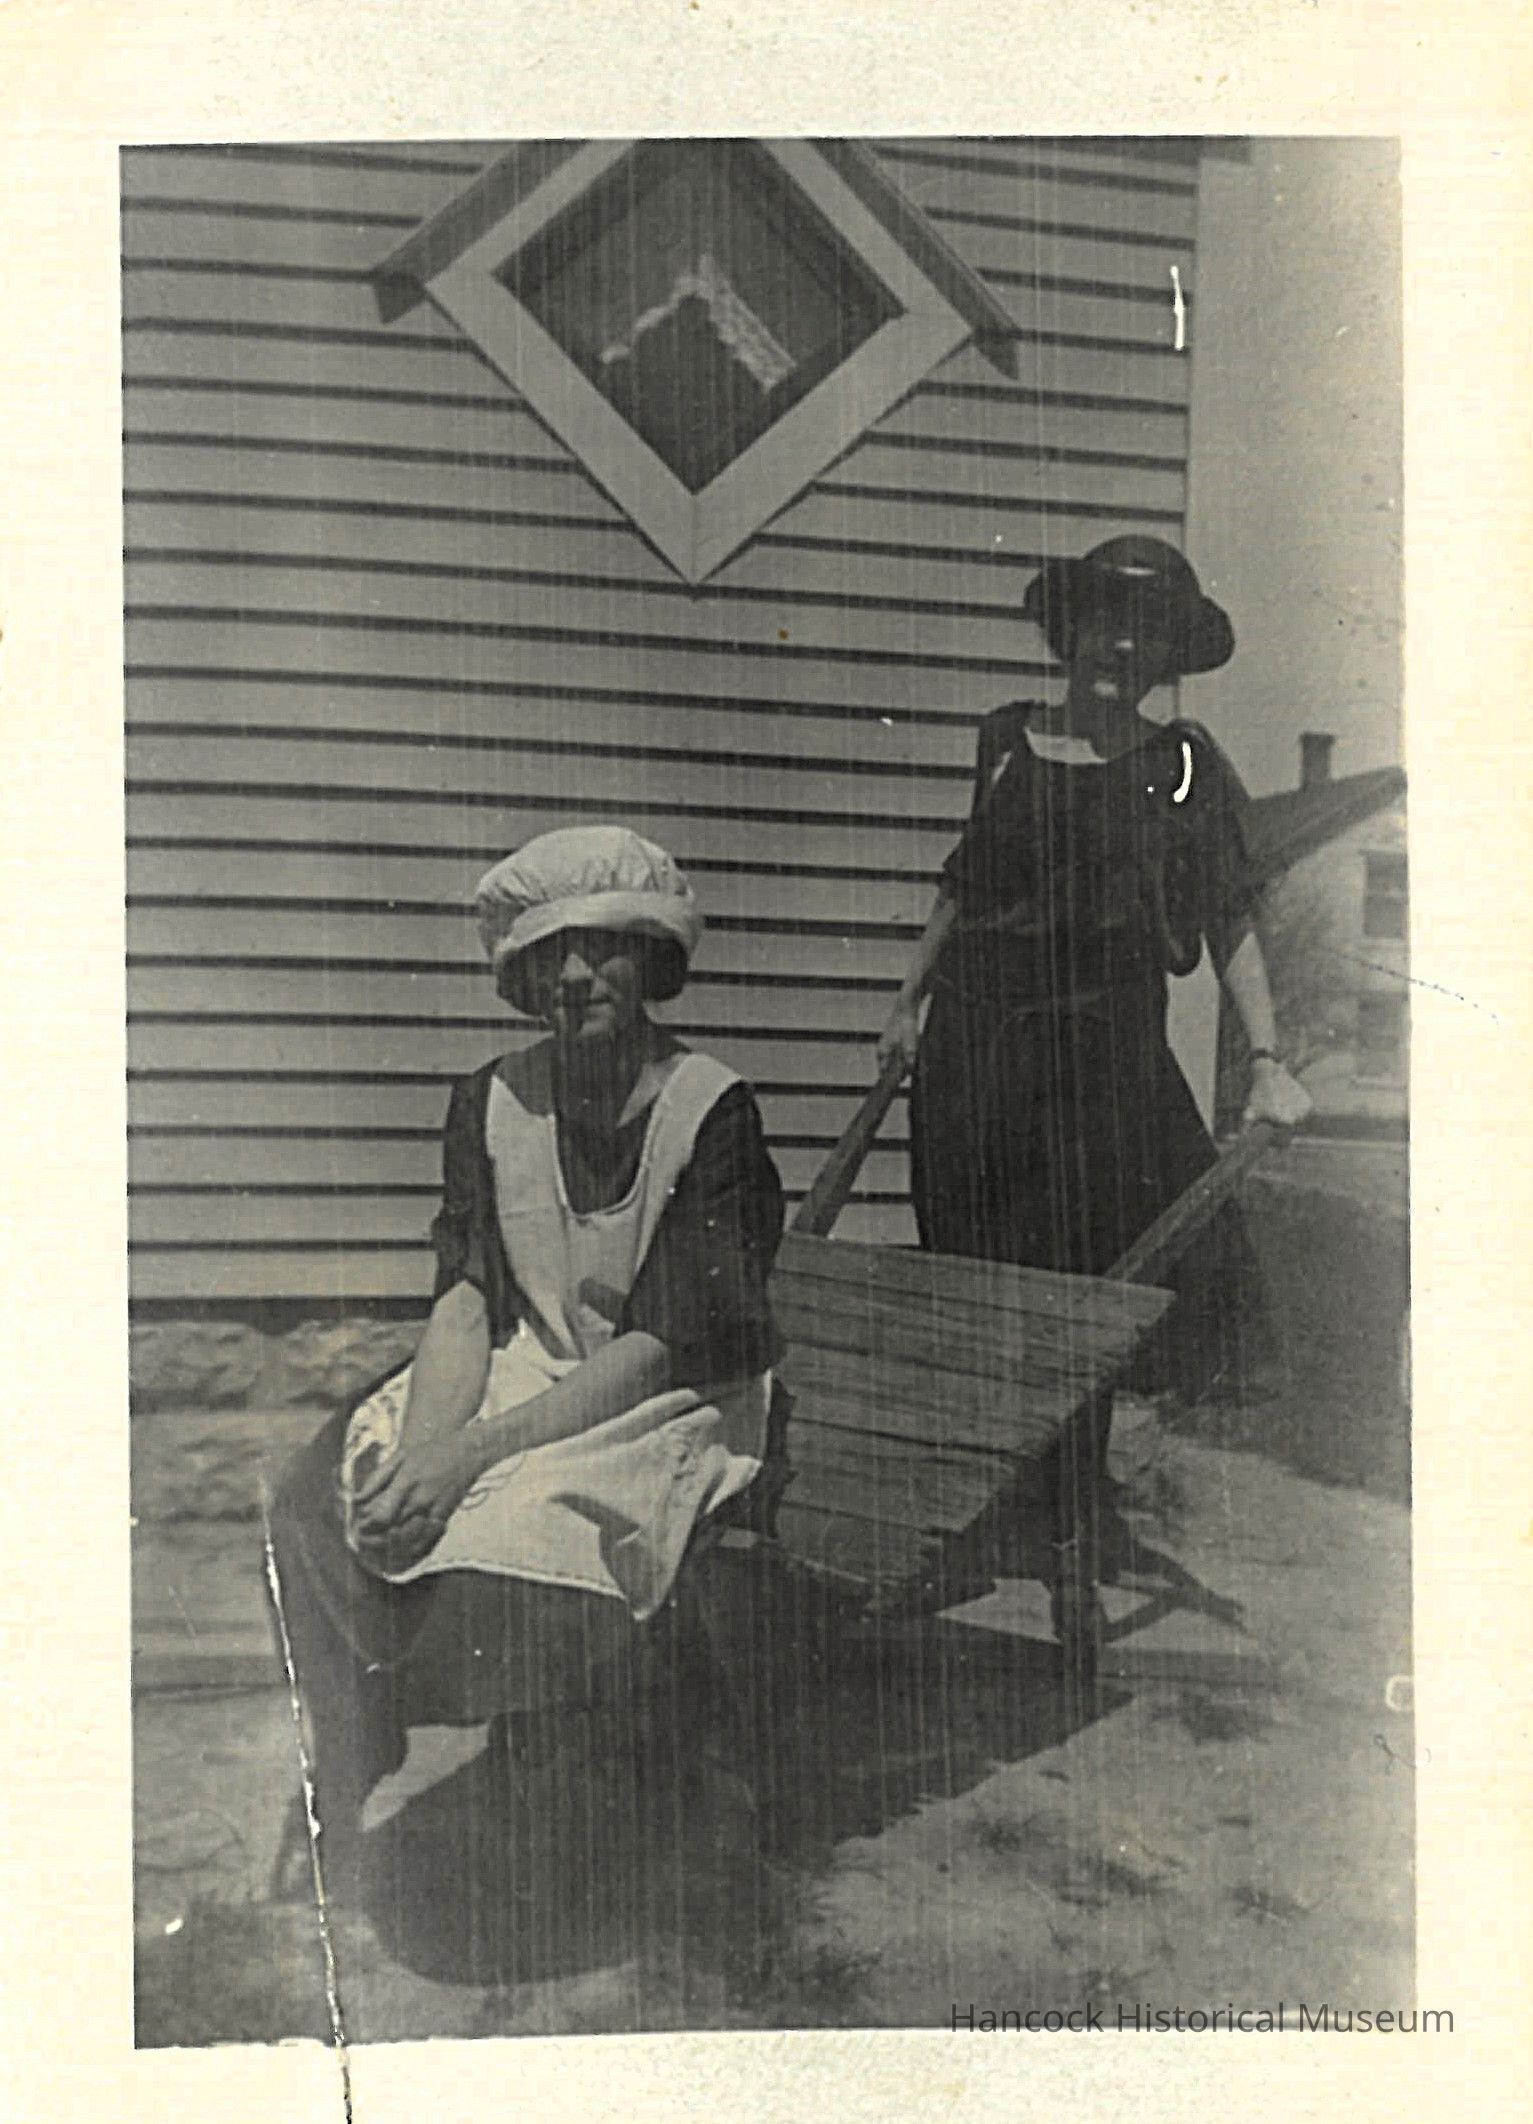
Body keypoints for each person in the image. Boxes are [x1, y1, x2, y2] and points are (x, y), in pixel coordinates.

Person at [266, 826, 785, 1904]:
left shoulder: (713, 1112)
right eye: (548, 957)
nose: (576, 977)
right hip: (523, 1367)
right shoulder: (491, 1100)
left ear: (653, 964)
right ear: (520, 975)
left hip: (667, 1393)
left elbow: (664, 1340)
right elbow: (466, 1297)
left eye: (603, 951)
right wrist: (426, 1451)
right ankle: (359, 1732)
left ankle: (595, 1788)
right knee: (319, 1498)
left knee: (524, 1540)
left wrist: (471, 1463)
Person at [876, 535, 1312, 1403]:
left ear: (1165, 655)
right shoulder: (1005, 739)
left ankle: (1080, 1510)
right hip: (976, 1056)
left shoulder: (1178, 764)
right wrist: (903, 1005)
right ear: (1070, 629)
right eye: (1107, 621)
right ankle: (1002, 1503)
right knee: (982, 1283)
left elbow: (1224, 913)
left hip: (1100, 1065)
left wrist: (1266, 1061)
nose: (1121, 646)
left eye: (1147, 631)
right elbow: (964, 888)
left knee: (1097, 1292)